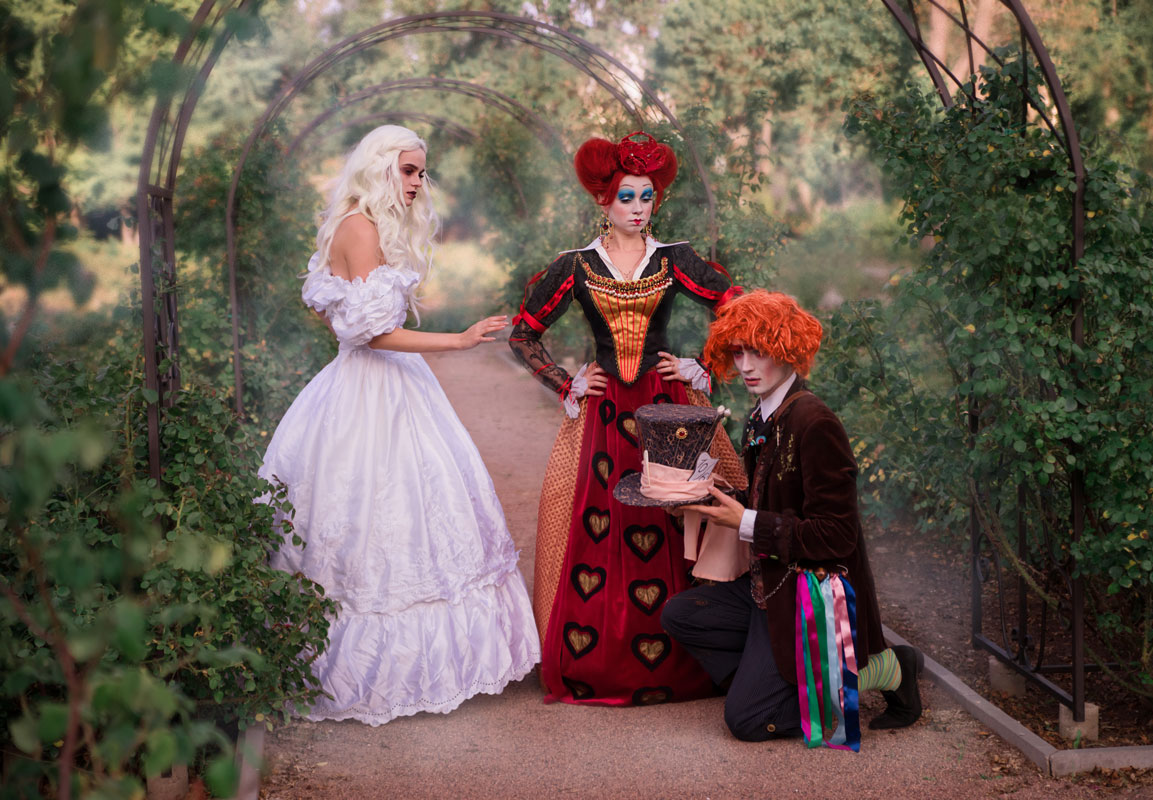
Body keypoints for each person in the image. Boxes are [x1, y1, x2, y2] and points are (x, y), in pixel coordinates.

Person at [260, 125, 539, 725]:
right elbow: (372, 334)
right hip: (372, 386)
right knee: (376, 506)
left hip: (378, 382)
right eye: (409, 170)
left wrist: (358, 334)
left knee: (411, 501)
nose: (418, 181)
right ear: (380, 167)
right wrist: (459, 340)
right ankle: (376, 671)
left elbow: (334, 315)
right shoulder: (360, 228)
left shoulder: (358, 226)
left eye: (422, 171)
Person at [509, 131, 746, 706]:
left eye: (646, 197)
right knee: (604, 520)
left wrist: (701, 365)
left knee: (674, 513)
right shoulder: (576, 266)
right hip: (605, 412)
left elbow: (738, 305)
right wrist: (566, 382)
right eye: (626, 197)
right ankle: (603, 663)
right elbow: (523, 334)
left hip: (666, 408)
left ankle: (689, 655)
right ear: (603, 200)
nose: (638, 209)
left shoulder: (673, 259)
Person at [661, 290, 923, 747]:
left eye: (758, 352)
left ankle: (888, 667)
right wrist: (704, 499)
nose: (745, 366)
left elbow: (837, 536)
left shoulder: (815, 422)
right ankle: (773, 678)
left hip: (809, 595)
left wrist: (745, 521)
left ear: (787, 350)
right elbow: (768, 497)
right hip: (768, 585)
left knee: (745, 722)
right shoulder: (762, 414)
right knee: (681, 615)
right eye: (737, 353)